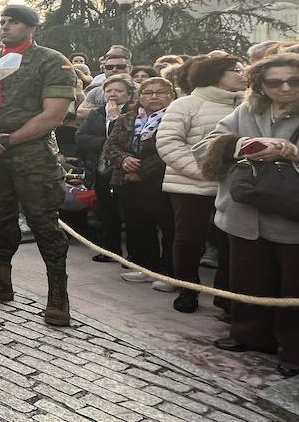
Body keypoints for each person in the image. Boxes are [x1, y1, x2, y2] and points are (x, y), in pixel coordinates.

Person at [0, 5, 76, 326]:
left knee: (44, 223)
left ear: (30, 27)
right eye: (2, 21)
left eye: (12, 22)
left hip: (32, 155)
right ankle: (1, 281)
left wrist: (8, 140)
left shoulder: (51, 61)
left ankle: (57, 295)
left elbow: (53, 115)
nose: (4, 27)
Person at [198, 52, 299, 376]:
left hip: (292, 217)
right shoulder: (246, 109)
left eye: (294, 81)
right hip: (244, 214)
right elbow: (208, 146)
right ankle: (249, 334)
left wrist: (293, 153)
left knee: (293, 288)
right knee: (248, 279)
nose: (285, 87)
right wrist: (246, 144)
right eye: (275, 82)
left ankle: (296, 349)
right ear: (259, 84)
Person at [156, 55, 244, 313]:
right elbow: (169, 142)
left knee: (230, 241)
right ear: (216, 74)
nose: (241, 74)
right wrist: (203, 172)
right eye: (234, 70)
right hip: (190, 185)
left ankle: (225, 295)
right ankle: (188, 289)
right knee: (189, 239)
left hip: (234, 187)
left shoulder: (248, 106)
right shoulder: (186, 104)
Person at [105, 77, 175, 281]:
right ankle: (145, 266)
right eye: (148, 92)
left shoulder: (174, 117)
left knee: (167, 226)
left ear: (171, 96)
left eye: (160, 92)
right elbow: (110, 145)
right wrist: (124, 159)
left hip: (161, 181)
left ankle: (168, 271)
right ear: (140, 96)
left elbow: (168, 150)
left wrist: (141, 170)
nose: (154, 96)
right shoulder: (127, 118)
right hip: (126, 179)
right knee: (138, 225)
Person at [76, 74, 133, 265]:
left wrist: (116, 119)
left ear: (128, 94)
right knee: (106, 213)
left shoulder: (134, 113)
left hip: (124, 171)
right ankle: (110, 249)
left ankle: (134, 256)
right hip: (100, 169)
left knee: (130, 213)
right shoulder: (97, 113)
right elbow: (81, 136)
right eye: (109, 90)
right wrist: (105, 143)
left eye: (118, 90)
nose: (113, 94)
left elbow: (128, 141)